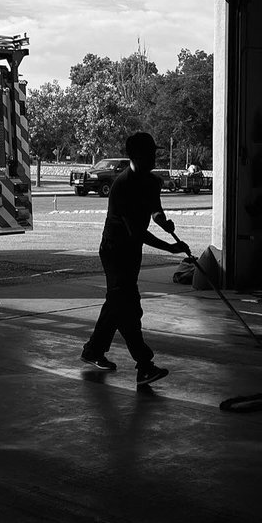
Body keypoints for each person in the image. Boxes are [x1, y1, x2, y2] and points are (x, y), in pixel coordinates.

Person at [82, 132, 189, 386]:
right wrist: (171, 248)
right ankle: (144, 364)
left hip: (132, 252)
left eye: (155, 153)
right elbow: (137, 232)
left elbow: (155, 210)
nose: (154, 158)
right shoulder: (122, 186)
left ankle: (93, 350)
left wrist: (163, 222)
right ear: (136, 156)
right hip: (115, 250)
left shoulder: (152, 181)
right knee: (128, 306)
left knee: (116, 304)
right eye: (150, 154)